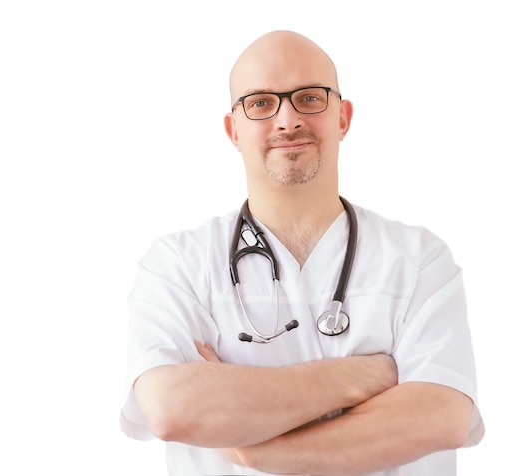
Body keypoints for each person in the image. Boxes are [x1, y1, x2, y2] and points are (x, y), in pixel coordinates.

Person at [119, 29, 485, 475]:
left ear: (343, 118)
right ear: (234, 130)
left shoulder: (419, 259)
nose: (288, 119)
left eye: (309, 98)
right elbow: (171, 408)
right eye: (260, 103)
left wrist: (250, 450)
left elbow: (440, 418)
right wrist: (365, 375)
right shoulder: (178, 264)